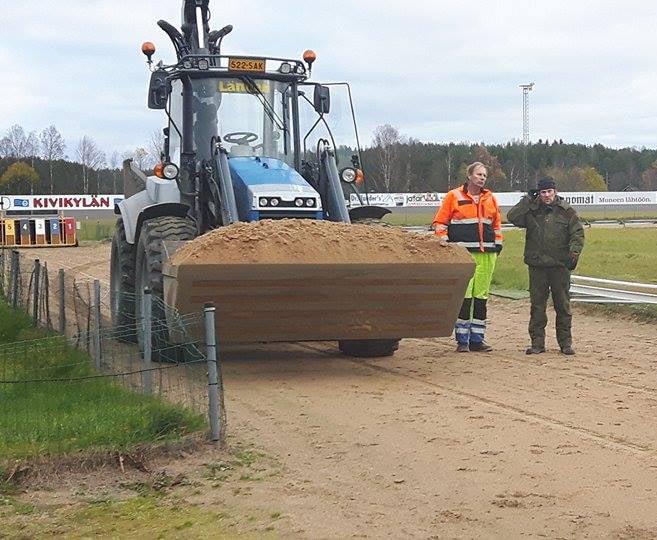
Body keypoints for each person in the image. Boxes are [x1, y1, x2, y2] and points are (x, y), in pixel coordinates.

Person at [507, 176, 585, 356]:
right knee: (537, 307)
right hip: (537, 265)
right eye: (543, 192)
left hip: (559, 265)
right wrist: (527, 200)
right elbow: (512, 217)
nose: (547, 195)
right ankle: (537, 343)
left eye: (549, 191)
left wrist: (574, 253)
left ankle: (565, 343)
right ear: (539, 193)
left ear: (555, 191)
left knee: (563, 306)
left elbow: (578, 233)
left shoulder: (566, 211)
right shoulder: (532, 210)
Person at [432, 162, 503, 352]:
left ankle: (477, 340)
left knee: (481, 297)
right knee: (464, 296)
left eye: (484, 175)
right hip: (463, 254)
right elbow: (440, 222)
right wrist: (445, 243)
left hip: (487, 254)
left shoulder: (490, 199)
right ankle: (462, 340)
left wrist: (498, 244)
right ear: (469, 176)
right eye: (479, 174)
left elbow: (496, 224)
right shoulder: (453, 196)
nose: (482, 178)